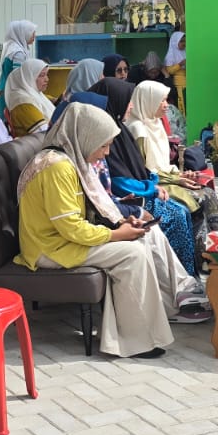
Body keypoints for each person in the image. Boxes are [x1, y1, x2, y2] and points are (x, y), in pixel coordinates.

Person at [14, 104, 175, 358]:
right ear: (85, 137)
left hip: (63, 240)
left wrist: (119, 224)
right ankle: (132, 341)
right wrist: (115, 234)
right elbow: (70, 227)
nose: (105, 154)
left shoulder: (70, 159)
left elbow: (87, 211)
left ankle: (142, 326)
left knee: (144, 238)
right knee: (131, 254)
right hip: (50, 249)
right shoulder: (57, 167)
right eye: (103, 145)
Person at [88, 79, 206, 322]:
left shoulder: (119, 130)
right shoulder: (107, 135)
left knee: (182, 209)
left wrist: (152, 184)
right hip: (125, 200)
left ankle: (188, 279)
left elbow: (139, 169)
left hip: (132, 196)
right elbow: (117, 181)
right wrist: (150, 189)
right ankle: (179, 289)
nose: (130, 106)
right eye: (127, 100)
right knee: (172, 214)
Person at [128, 80, 218, 249]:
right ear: (147, 100)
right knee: (199, 198)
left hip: (167, 178)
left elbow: (163, 164)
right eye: (161, 100)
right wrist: (176, 179)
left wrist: (180, 175)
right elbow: (143, 170)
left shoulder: (155, 123)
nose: (166, 105)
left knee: (208, 192)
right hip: (154, 184)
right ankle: (206, 252)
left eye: (166, 100)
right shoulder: (138, 129)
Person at [4, 58, 56, 137]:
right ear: (29, 77)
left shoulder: (33, 94)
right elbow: (45, 132)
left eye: (46, 74)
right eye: (42, 75)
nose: (47, 79)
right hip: (36, 147)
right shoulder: (23, 102)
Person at [0, 20, 37, 111]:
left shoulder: (12, 48)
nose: (34, 36)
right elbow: (18, 78)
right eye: (32, 33)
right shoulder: (18, 53)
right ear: (23, 33)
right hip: (11, 92)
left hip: (5, 88)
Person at [162, 31, 186, 110]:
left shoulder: (186, 52)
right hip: (178, 85)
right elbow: (169, 71)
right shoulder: (171, 55)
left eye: (184, 41)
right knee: (181, 106)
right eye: (181, 41)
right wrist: (180, 64)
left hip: (188, 83)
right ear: (175, 42)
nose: (184, 43)